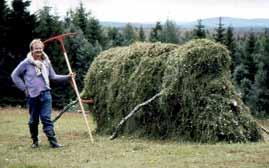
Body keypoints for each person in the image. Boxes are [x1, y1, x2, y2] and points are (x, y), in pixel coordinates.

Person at [11, 39, 74, 148]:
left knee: (46, 118)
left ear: (43, 49)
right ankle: (35, 141)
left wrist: (67, 77)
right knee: (33, 121)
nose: (39, 50)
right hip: (32, 96)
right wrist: (24, 88)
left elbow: (53, 77)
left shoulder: (46, 62)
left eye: (40, 48)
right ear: (32, 49)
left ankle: (53, 143)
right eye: (36, 49)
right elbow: (14, 75)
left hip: (46, 94)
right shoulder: (26, 63)